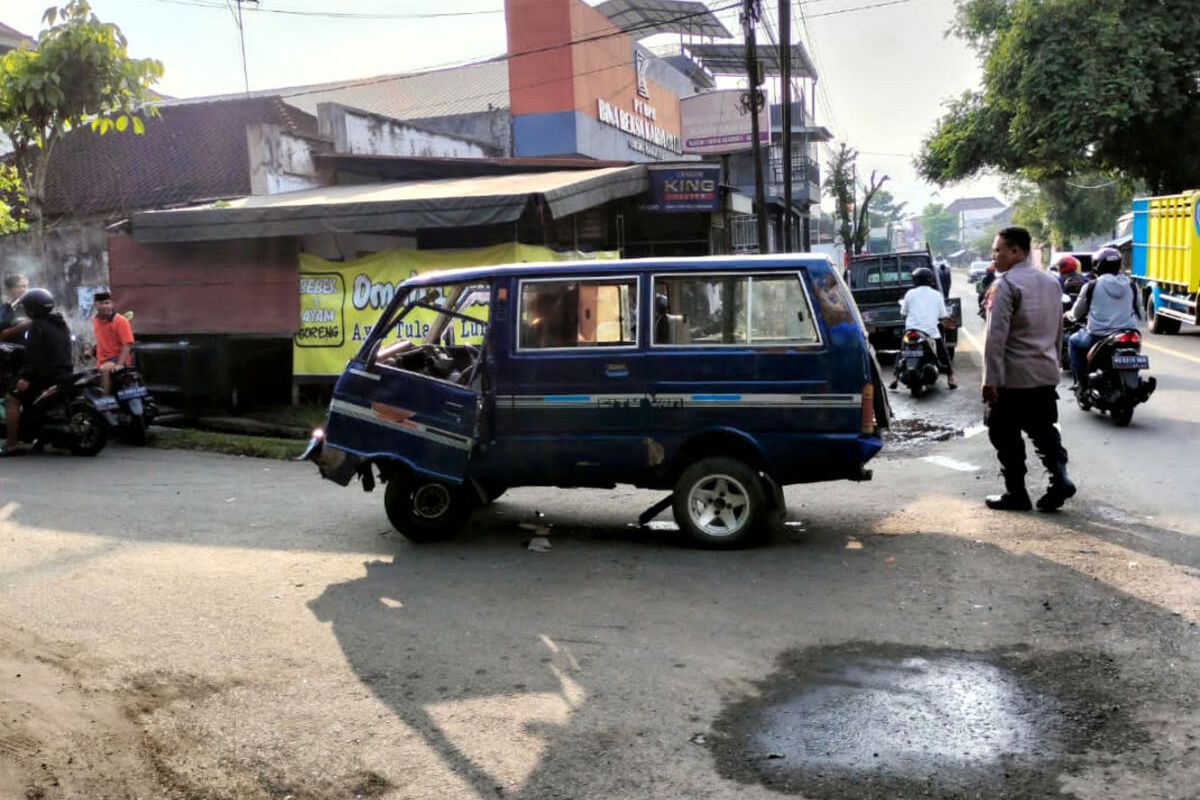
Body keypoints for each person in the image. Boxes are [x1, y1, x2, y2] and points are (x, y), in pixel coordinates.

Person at [981, 226, 1075, 512]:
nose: (994, 256)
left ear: (1016, 251)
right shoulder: (1051, 282)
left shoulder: (1004, 285)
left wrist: (990, 381)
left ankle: (1017, 494)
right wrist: (1054, 364)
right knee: (1044, 431)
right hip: (1044, 374)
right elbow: (1059, 328)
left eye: (998, 250)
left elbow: (995, 337)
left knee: (1003, 433)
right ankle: (1060, 477)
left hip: (1012, 378)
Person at [2, 288, 74, 456]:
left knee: (11, 398)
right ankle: (36, 437)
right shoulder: (59, 322)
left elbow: (35, 357)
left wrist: (25, 377)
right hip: (64, 371)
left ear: (32, 308)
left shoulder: (38, 327)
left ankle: (12, 444)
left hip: (46, 375)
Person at [1066, 247, 1140, 391]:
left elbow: (1077, 312)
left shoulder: (1091, 286)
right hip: (1128, 335)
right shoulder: (1132, 285)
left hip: (1097, 336)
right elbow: (1139, 310)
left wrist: (1069, 316)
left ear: (1097, 265)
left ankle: (1081, 383)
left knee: (1073, 341)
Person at [889, 266, 957, 390]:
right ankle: (950, 377)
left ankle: (895, 377)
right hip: (930, 332)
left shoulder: (910, 293)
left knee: (903, 351)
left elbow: (903, 313)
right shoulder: (937, 295)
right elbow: (943, 316)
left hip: (912, 332)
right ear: (930, 280)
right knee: (942, 352)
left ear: (915, 280)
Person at [92, 290, 135, 394]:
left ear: (112, 304)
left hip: (118, 357)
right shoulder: (94, 320)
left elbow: (128, 344)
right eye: (101, 303)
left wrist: (120, 363)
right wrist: (91, 350)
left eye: (107, 303)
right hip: (103, 359)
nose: (105, 306)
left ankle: (106, 399)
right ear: (95, 305)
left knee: (104, 370)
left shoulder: (120, 321)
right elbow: (102, 340)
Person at [0, 273, 29, 342]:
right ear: (10, 289)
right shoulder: (5, 308)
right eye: (18, 287)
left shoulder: (31, 304)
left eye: (24, 286)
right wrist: (20, 326)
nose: (22, 290)